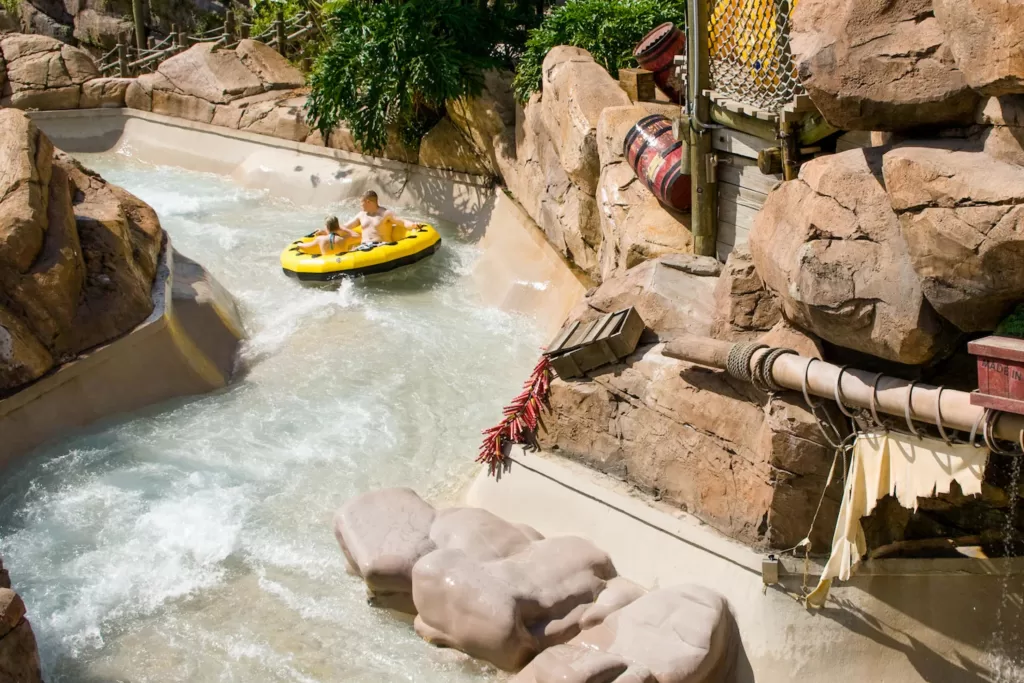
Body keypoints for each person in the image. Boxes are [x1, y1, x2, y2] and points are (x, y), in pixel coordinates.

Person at [306, 191, 420, 256]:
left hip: (381, 246)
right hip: (364, 247)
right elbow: (345, 227)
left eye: (361, 203)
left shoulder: (385, 214)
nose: (360, 206)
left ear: (368, 202)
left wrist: (414, 225)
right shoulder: (361, 215)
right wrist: (325, 232)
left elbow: (402, 222)